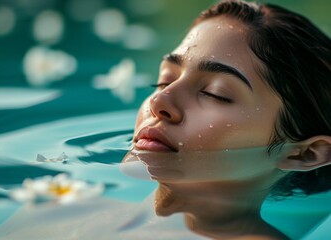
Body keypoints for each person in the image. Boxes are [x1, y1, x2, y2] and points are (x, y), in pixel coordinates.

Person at [126, 0, 331, 239]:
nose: (159, 101)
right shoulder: (85, 209)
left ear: (304, 153)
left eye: (215, 93)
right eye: (165, 80)